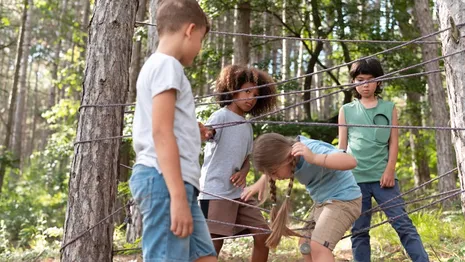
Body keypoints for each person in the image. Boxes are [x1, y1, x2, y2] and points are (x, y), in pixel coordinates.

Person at [129, 0, 217, 261]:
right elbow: (161, 132)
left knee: (205, 257)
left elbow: (166, 123)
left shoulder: (159, 66)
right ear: (190, 30)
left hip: (177, 182)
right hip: (165, 181)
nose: (199, 49)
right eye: (200, 40)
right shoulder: (167, 65)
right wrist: (177, 197)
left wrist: (192, 130)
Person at [338, 58, 429, 262]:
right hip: (355, 179)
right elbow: (342, 147)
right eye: (360, 79)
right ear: (353, 82)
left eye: (371, 80)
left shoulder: (389, 108)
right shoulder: (347, 110)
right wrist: (340, 176)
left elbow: (393, 143)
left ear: (378, 82)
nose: (366, 84)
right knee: (359, 230)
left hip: (383, 178)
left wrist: (389, 170)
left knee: (402, 223)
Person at [242, 133, 362, 262]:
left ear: (286, 159)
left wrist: (315, 158)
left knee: (319, 247)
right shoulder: (287, 153)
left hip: (344, 200)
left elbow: (351, 161)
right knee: (305, 245)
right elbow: (275, 161)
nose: (274, 178)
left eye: (273, 173)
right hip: (323, 202)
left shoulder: (310, 149)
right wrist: (261, 182)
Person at [199, 64, 277, 262]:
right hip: (215, 191)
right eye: (246, 91)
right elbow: (210, 132)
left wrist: (243, 172)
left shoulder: (247, 125)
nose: (251, 98)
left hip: (239, 194)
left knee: (263, 234)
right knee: (214, 243)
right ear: (232, 89)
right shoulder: (221, 116)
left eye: (255, 94)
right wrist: (206, 133)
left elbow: (246, 160)